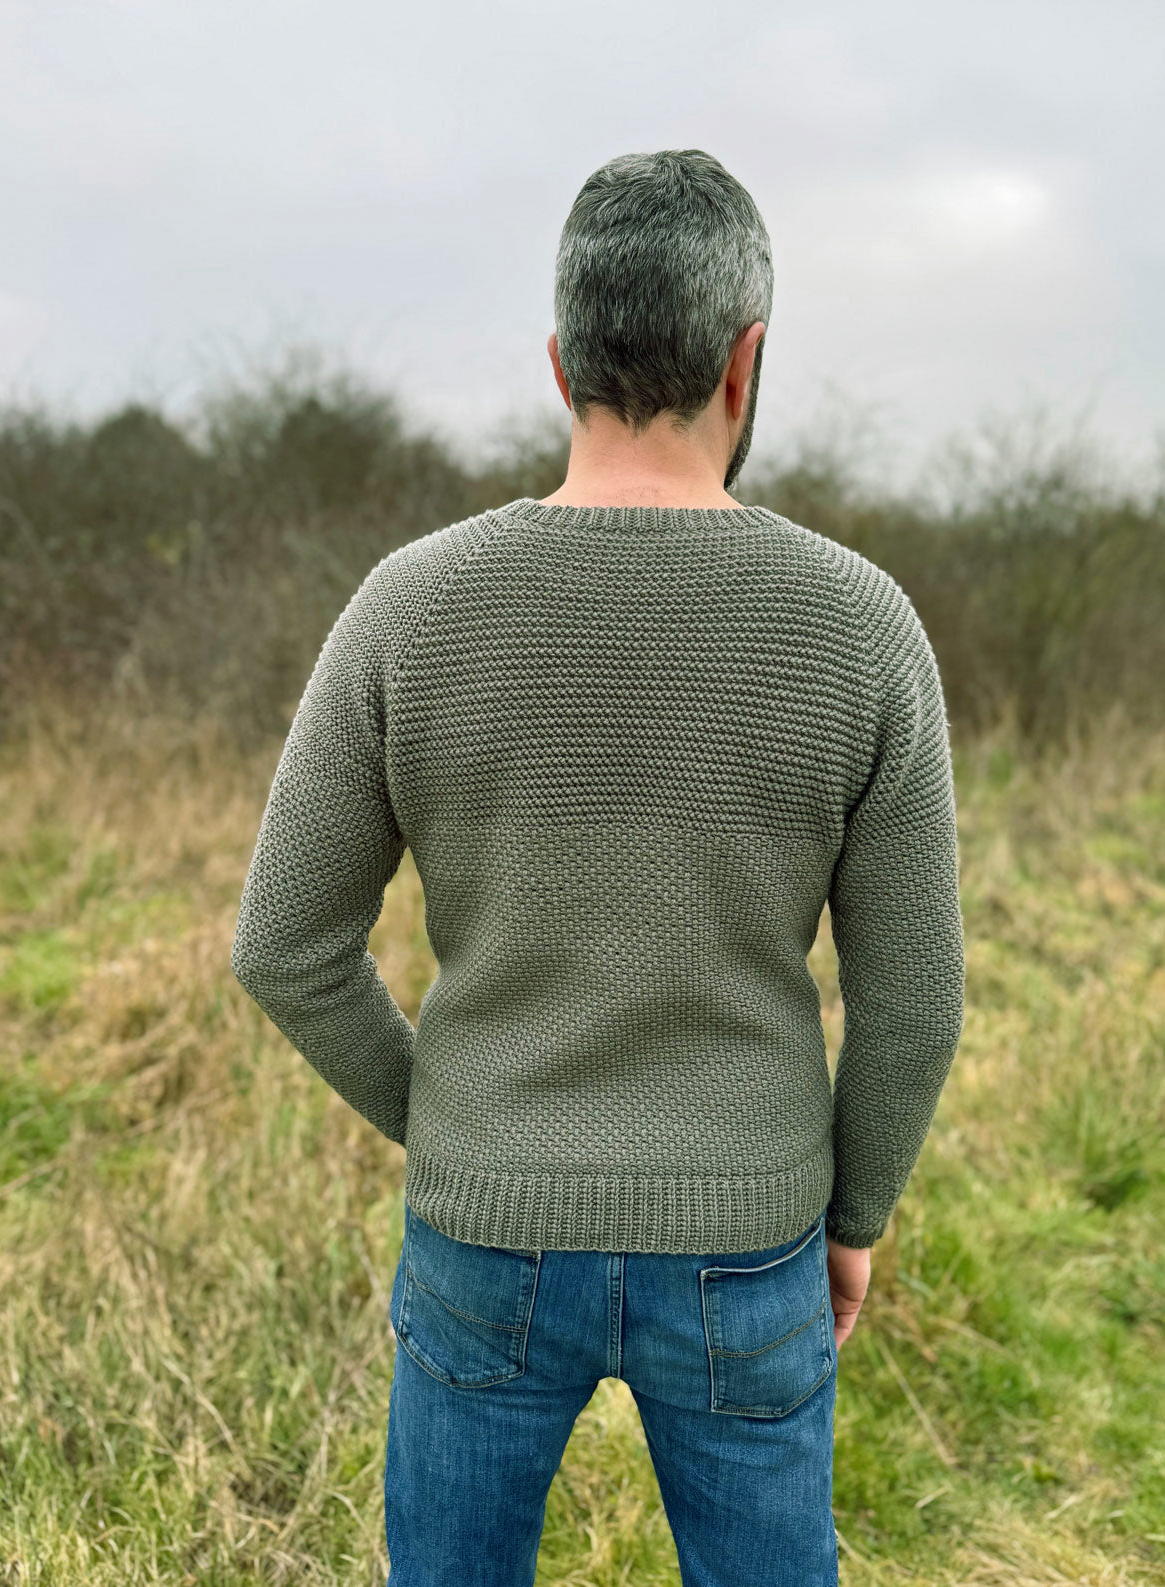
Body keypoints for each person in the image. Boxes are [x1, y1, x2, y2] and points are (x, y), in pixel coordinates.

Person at [230, 148, 966, 1587]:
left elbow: (284, 945)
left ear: (559, 360)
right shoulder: (861, 625)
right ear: (747, 360)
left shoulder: (409, 606)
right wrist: (855, 1215)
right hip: (750, 1240)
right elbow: (912, 1003)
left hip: (480, 1230)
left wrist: (450, 1118)